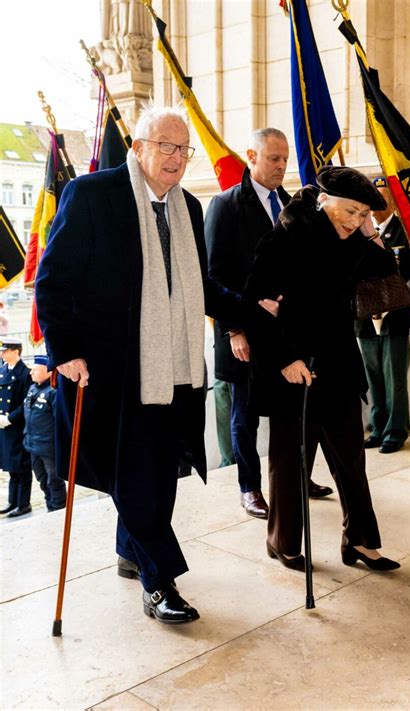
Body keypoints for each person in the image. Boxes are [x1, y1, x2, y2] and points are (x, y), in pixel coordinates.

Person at [35, 106, 248, 625]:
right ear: (139, 147)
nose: (175, 157)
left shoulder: (190, 209)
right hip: (112, 373)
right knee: (135, 478)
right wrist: (65, 353)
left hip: (176, 369)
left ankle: (131, 551)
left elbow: (202, 288)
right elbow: (53, 281)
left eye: (183, 149)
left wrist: (250, 312)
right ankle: (160, 582)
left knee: (162, 473)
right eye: (165, 146)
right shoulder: (92, 196)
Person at [244, 166, 401, 572]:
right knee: (290, 461)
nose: (355, 220)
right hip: (294, 368)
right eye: (350, 211)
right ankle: (283, 543)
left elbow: (393, 290)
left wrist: (370, 234)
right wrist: (285, 360)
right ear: (323, 199)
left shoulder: (353, 244)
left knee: (351, 460)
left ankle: (361, 543)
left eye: (363, 213)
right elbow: (253, 311)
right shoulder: (282, 240)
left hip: (340, 365)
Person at [205, 128, 332, 519]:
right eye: (273, 158)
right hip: (244, 331)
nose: (281, 166)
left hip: (286, 333)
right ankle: (250, 487)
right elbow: (213, 275)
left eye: (285, 159)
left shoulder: (292, 204)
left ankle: (295, 478)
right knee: (244, 416)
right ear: (251, 156)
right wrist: (234, 330)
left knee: (291, 411)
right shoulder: (225, 205)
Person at [356, 176, 410, 453]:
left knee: (395, 376)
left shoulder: (405, 232)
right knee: (373, 375)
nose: (378, 202)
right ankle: (377, 427)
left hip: (396, 317)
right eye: (374, 196)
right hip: (365, 318)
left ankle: (396, 430)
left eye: (383, 196)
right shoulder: (357, 231)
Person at [23, 355, 66, 512]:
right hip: (33, 445)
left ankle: (58, 510)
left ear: (48, 372)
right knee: (42, 480)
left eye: (35, 370)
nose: (31, 373)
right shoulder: (33, 388)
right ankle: (50, 507)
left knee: (54, 482)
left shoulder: (53, 391)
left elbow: (59, 421)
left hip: (49, 447)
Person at [0, 337, 32, 518]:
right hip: (4, 427)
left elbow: (26, 401)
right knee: (11, 466)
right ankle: (13, 501)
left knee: (21, 466)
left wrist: (10, 418)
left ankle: (23, 503)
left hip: (17, 425)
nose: (2, 354)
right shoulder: (3, 370)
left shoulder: (24, 373)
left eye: (5, 351)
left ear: (15, 351)